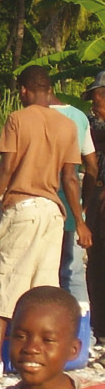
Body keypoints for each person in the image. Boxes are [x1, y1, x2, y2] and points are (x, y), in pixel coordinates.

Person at [0, 66, 92, 379]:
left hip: (22, 207)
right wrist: (80, 222)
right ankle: (47, 361)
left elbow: (7, 168)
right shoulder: (67, 126)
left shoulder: (17, 119)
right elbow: (70, 178)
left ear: (24, 90)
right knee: (44, 288)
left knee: (8, 281)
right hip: (54, 213)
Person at [49, 90, 98, 304]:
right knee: (74, 272)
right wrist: (83, 207)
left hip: (43, 207)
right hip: (72, 208)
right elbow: (92, 167)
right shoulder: (79, 117)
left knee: (46, 273)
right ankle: (83, 332)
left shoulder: (31, 116)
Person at [83, 70, 105, 340]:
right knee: (96, 265)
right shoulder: (91, 124)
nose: (94, 106)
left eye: (96, 100)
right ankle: (100, 328)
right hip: (97, 202)